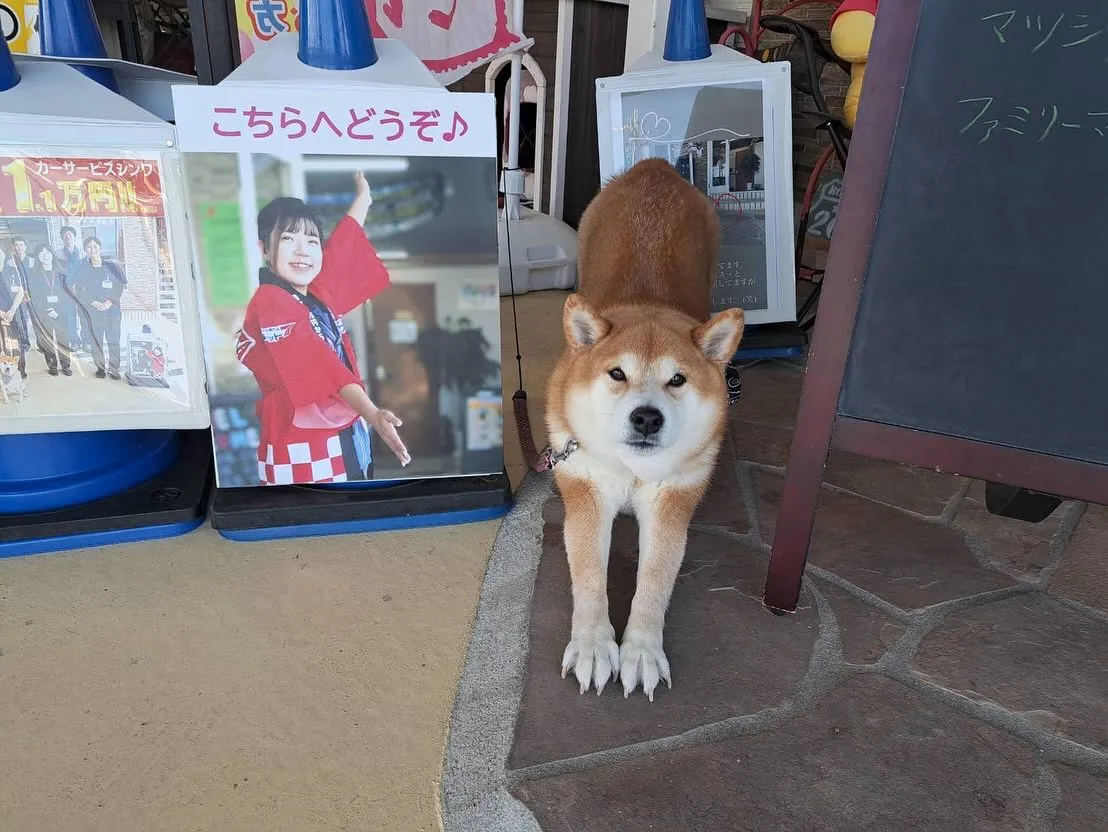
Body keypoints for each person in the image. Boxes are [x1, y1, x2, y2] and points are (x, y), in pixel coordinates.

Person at [233, 170, 410, 485]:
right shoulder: (271, 301)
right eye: (288, 239)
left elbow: (340, 250)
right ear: (265, 249)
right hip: (302, 440)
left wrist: (363, 201)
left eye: (312, 241)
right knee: (318, 511)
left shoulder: (313, 295)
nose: (303, 251)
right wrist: (371, 412)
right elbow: (316, 362)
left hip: (342, 428)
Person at [72, 236, 126, 379]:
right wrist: (91, 302)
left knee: (113, 340)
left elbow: (120, 286)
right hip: (93, 312)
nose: (92, 249)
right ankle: (100, 368)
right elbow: (78, 290)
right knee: (97, 341)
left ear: (100, 248)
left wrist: (110, 301)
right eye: (89, 247)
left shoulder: (113, 266)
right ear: (85, 251)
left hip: (112, 311)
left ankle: (114, 368)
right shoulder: (82, 269)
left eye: (95, 246)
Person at [25, 243, 73, 376]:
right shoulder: (33, 274)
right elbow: (33, 295)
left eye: (47, 252)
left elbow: (68, 293)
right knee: (47, 340)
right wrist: (47, 310)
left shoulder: (62, 272)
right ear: (37, 256)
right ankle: (52, 365)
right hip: (43, 313)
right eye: (41, 252)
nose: (45, 255)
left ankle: (66, 365)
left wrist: (57, 310)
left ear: (52, 254)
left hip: (61, 312)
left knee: (63, 339)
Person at [55, 225, 85, 351]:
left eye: (70, 234)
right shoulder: (59, 254)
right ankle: (73, 340)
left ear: (74, 236)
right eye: (65, 234)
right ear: (62, 238)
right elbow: (58, 273)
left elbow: (86, 271)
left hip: (82, 289)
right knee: (70, 315)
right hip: (67, 290)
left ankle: (87, 340)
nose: (68, 236)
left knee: (84, 314)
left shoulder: (82, 252)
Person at [4, 236, 33, 366]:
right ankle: (25, 342)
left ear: (25, 247)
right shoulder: (9, 263)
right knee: (22, 319)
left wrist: (30, 293)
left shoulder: (32, 261)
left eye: (21, 245)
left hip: (32, 296)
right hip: (18, 297)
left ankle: (43, 344)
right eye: (16, 245)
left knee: (36, 321)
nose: (19, 247)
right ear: (13, 247)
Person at [0, 254, 27, 379]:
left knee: (15, 343)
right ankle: (4, 373)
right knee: (2, 345)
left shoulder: (11, 271)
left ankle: (19, 370)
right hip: (1, 314)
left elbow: (20, 291)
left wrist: (12, 310)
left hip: (13, 314)